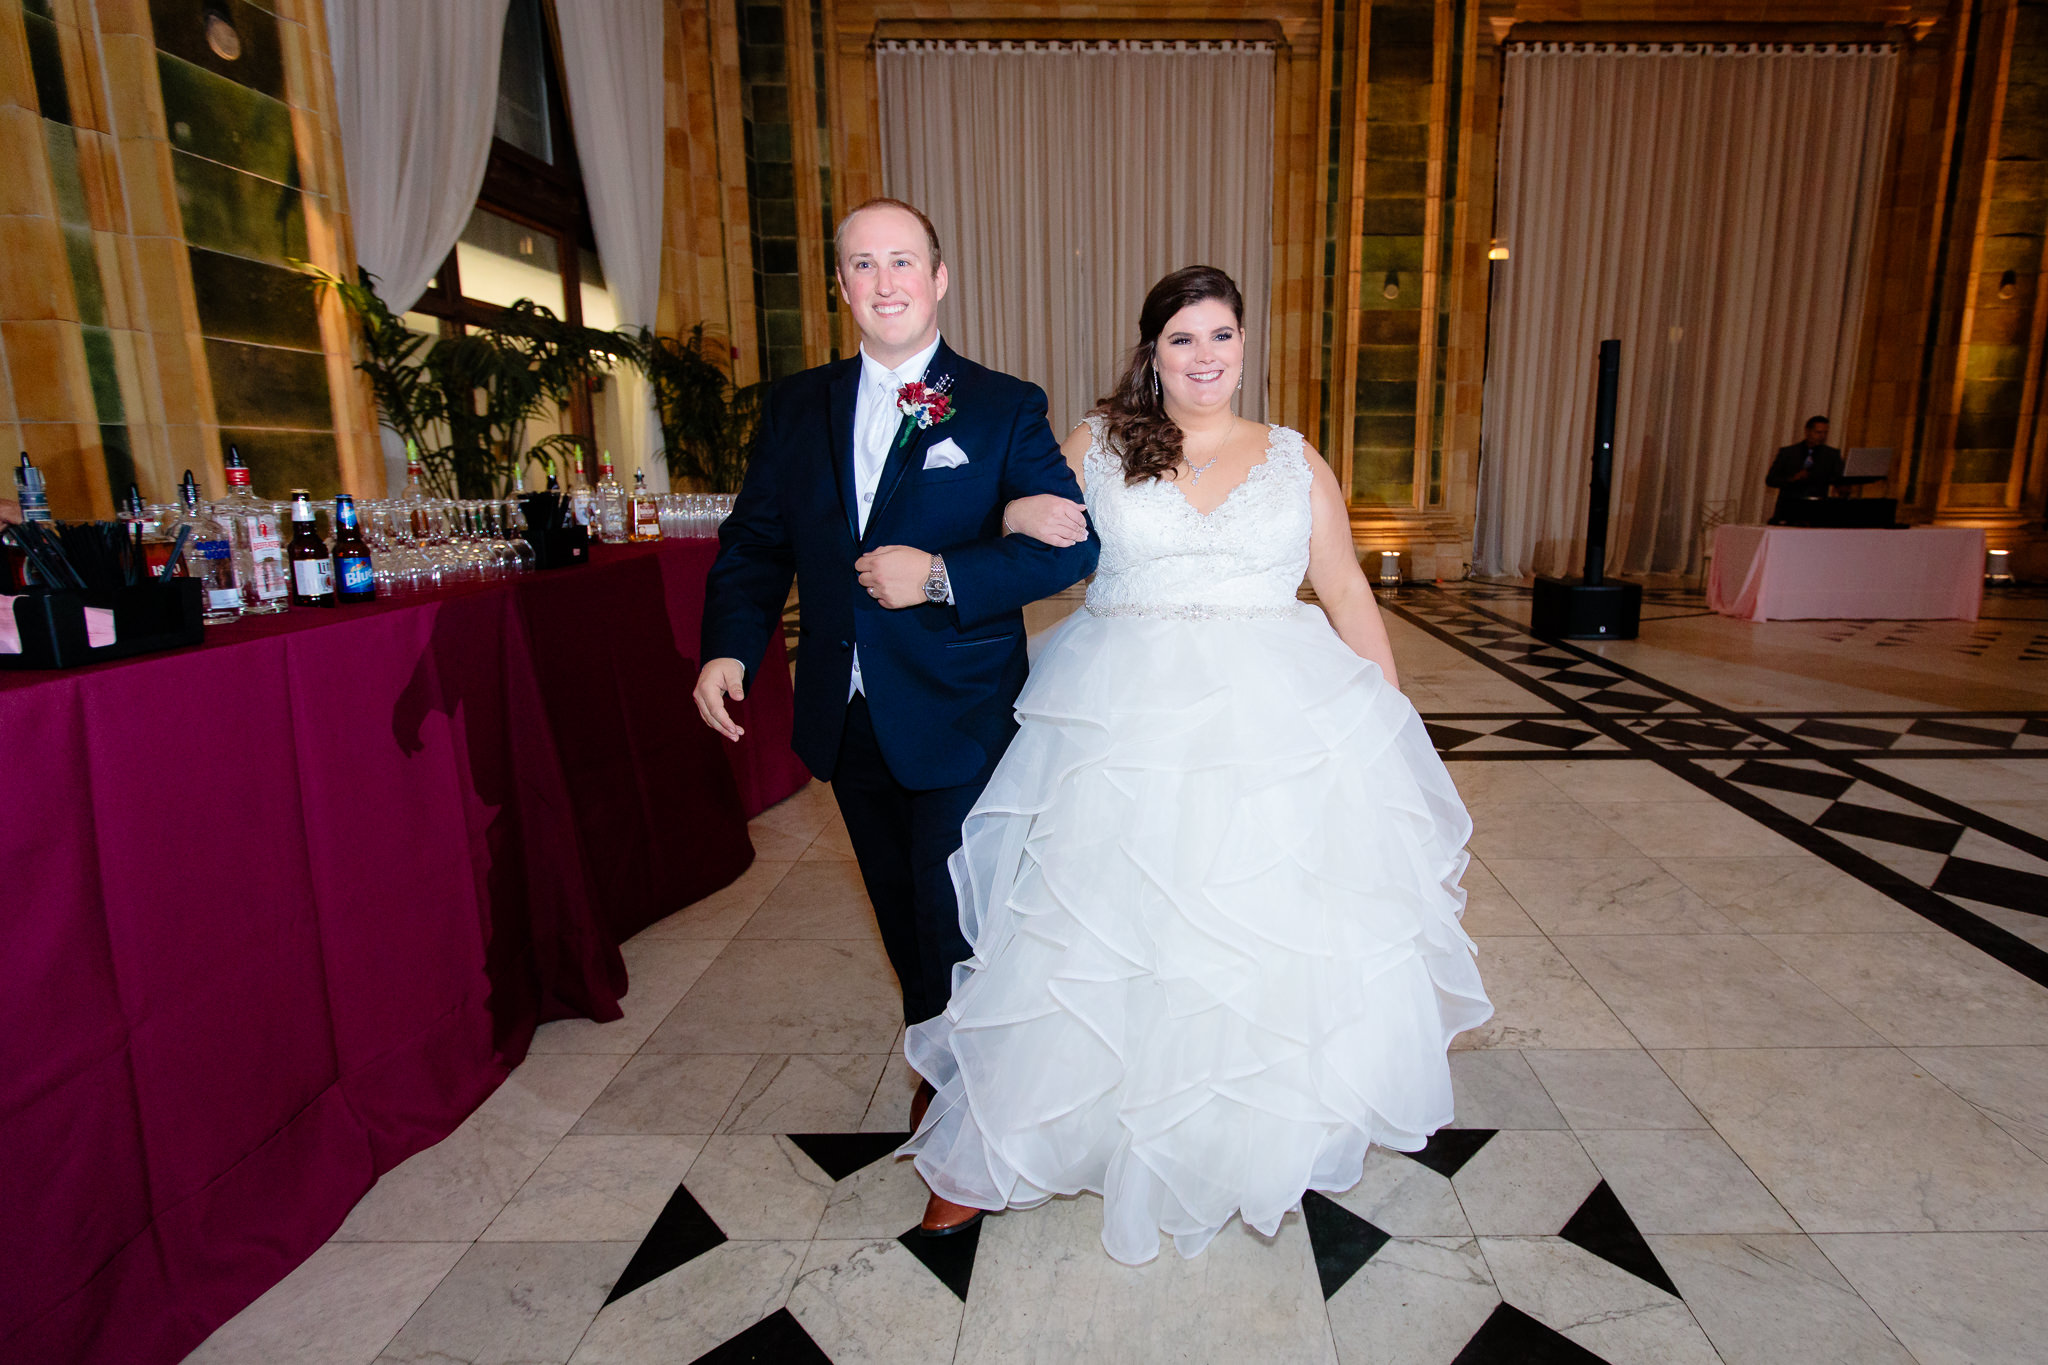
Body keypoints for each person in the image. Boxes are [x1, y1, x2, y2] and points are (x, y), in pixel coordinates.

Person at [901, 266, 1493, 1260]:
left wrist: (1385, 727)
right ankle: (1013, 1135)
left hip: (1270, 702)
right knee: (1092, 922)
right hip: (1116, 705)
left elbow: (1343, 590)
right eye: (1182, 339)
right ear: (1152, 351)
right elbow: (1028, 534)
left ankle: (1253, 1125)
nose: (1204, 356)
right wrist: (998, 527)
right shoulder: (1094, 442)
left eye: (1220, 334)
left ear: (1244, 343)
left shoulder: (1293, 459)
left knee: (1261, 919)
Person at [693, 198, 1100, 1140]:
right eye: (863, 265)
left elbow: (1070, 550)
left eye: (902, 261)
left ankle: (975, 1102)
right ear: (841, 285)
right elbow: (756, 543)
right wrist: (727, 643)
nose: (884, 282)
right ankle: (935, 1051)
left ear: (939, 277)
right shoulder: (798, 406)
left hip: (958, 707)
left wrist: (943, 576)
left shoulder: (1004, 406)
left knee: (951, 904)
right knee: (897, 903)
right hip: (845, 709)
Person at [1765, 415, 1843, 523]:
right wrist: (1792, 479)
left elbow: (1838, 478)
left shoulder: (1831, 455)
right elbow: (1771, 480)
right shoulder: (1788, 453)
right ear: (1807, 431)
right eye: (1818, 432)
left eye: (1825, 433)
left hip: (1817, 509)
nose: (1822, 436)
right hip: (1789, 508)